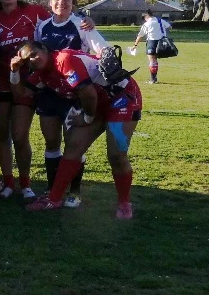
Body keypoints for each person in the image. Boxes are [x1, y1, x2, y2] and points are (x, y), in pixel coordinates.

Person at [12, 41, 141, 219]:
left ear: (44, 48)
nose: (33, 59)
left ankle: (124, 202)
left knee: (116, 155)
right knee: (73, 146)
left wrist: (87, 118)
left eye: (34, 53)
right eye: (28, 60)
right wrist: (14, 71)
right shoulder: (42, 74)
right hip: (96, 105)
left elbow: (89, 94)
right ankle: (54, 199)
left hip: (120, 100)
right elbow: (21, 94)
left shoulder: (63, 59)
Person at [34, 0, 109, 207]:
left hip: (74, 95)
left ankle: (74, 191)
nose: (61, 3)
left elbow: (102, 51)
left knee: (74, 144)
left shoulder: (81, 25)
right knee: (51, 141)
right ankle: (51, 187)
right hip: (48, 93)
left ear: (73, 3)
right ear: (50, 2)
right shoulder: (43, 27)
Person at [0, 0, 50, 200]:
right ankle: (9, 182)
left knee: (20, 135)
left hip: (28, 84)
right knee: (3, 134)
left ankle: (25, 182)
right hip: (2, 82)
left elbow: (57, 24)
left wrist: (86, 22)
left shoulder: (35, 12)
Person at [132, 10, 169, 84]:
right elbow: (169, 26)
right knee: (155, 61)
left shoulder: (147, 24)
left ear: (146, 16)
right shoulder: (160, 20)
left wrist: (135, 45)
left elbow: (140, 36)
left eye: (144, 18)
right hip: (162, 42)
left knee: (152, 61)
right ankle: (154, 78)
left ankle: (153, 79)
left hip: (152, 42)